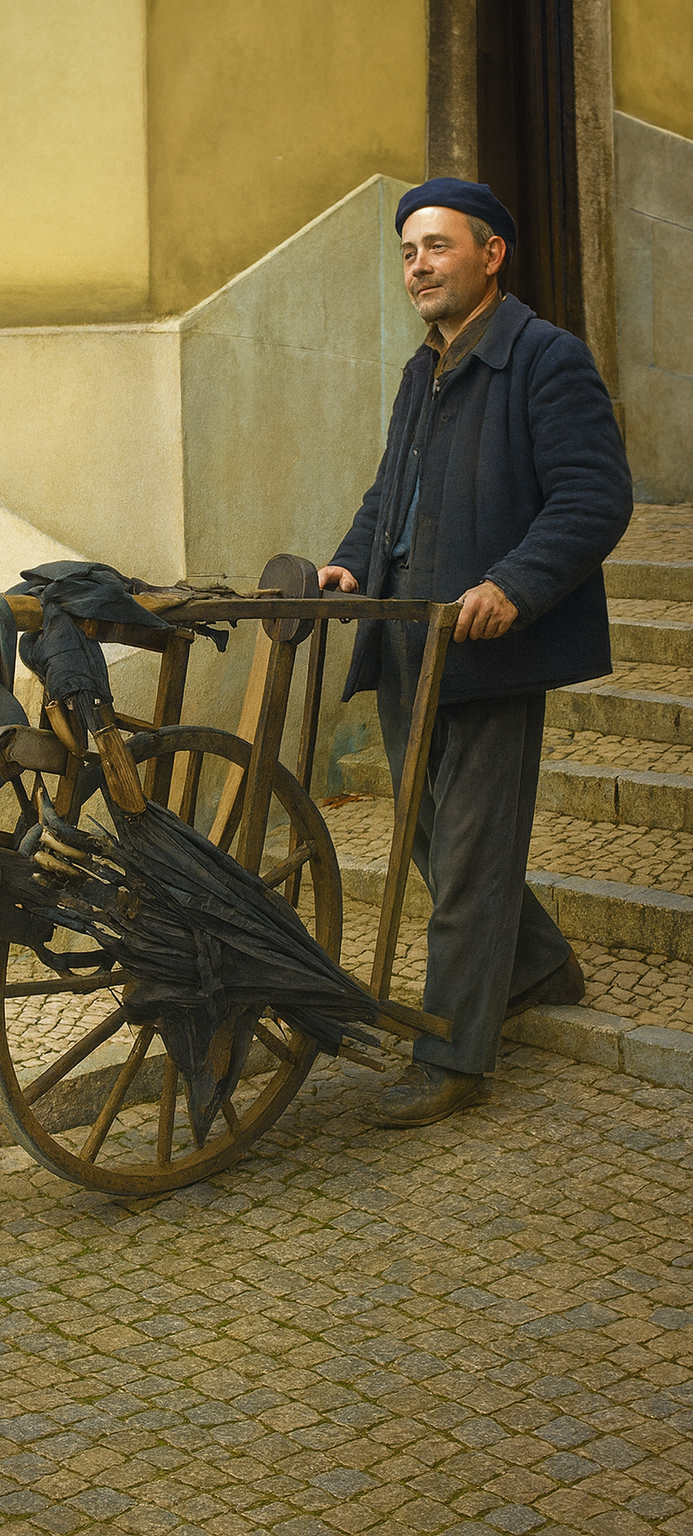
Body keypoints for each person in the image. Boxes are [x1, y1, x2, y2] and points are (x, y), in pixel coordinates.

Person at [318, 177, 632, 1128]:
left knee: (469, 850)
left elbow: (593, 499)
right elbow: (389, 495)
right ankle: (538, 964)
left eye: (438, 247)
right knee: (429, 836)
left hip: (489, 647)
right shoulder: (426, 370)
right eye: (408, 251)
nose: (418, 266)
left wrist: (513, 585)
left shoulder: (545, 359)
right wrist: (345, 564)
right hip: (410, 640)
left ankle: (453, 1054)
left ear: (492, 255)